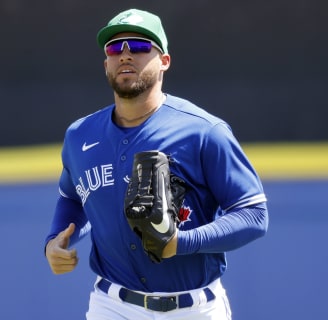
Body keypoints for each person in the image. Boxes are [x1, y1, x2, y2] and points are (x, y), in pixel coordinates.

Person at [45, 8, 269, 320]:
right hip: (112, 306)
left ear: (164, 61)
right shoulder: (80, 135)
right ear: (105, 63)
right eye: (114, 48)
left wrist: (182, 243)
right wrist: (55, 239)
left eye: (138, 46)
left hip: (195, 309)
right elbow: (72, 197)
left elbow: (254, 215)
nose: (125, 55)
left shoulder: (203, 131)